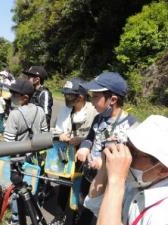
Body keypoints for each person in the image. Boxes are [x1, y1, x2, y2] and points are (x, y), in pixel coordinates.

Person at [85, 115, 168, 225]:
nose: (127, 157)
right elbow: (95, 204)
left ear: (163, 170)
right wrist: (106, 166)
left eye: (134, 153)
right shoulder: (135, 186)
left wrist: (116, 180)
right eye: (128, 147)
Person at [74, 71, 137, 225]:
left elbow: (130, 161)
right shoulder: (98, 117)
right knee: (84, 208)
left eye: (95, 96)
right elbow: (90, 138)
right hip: (89, 176)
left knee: (102, 214)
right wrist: (84, 147)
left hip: (109, 183)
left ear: (113, 99)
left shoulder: (131, 126)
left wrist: (104, 164)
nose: (91, 100)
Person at [50, 77, 98, 225]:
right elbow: (54, 130)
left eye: (69, 95)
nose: (66, 98)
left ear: (81, 97)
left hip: (85, 157)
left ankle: (78, 217)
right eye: (65, 94)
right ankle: (59, 215)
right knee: (63, 184)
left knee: (82, 188)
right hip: (67, 154)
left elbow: (97, 136)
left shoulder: (93, 112)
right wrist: (60, 135)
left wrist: (81, 140)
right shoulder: (65, 110)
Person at [3, 78, 48, 225]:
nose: (12, 97)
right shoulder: (40, 111)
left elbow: (7, 143)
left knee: (18, 192)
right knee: (33, 187)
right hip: (35, 159)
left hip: (18, 160)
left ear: (25, 97)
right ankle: (35, 215)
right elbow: (44, 135)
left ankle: (16, 220)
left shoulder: (14, 115)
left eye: (15, 94)